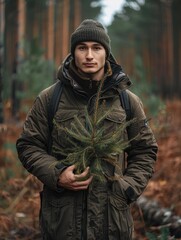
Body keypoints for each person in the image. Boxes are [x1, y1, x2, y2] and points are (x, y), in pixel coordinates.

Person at [16, 19, 158, 240]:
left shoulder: (127, 101)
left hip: (112, 222)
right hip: (61, 223)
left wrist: (128, 188)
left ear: (106, 53)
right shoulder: (49, 98)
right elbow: (28, 145)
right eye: (82, 48)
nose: (89, 55)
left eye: (96, 48)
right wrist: (57, 173)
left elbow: (145, 149)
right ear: (73, 53)